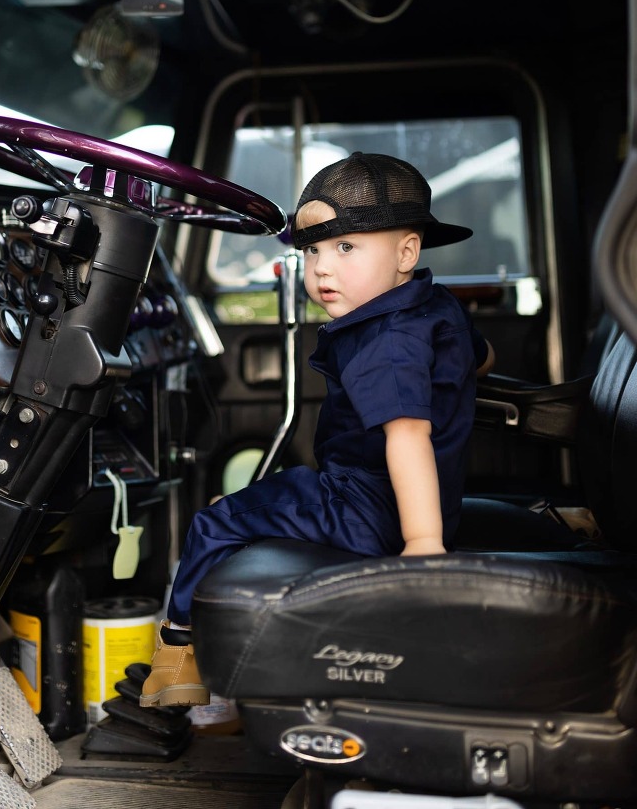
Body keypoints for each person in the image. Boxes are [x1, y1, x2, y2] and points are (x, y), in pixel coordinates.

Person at [140, 151, 495, 708]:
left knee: (214, 521)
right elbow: (479, 359)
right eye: (313, 251)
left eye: (346, 247)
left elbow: (406, 438)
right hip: (403, 503)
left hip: (362, 511)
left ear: (407, 251)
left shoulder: (386, 344)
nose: (323, 268)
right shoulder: (436, 307)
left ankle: (179, 662)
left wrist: (423, 544)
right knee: (254, 508)